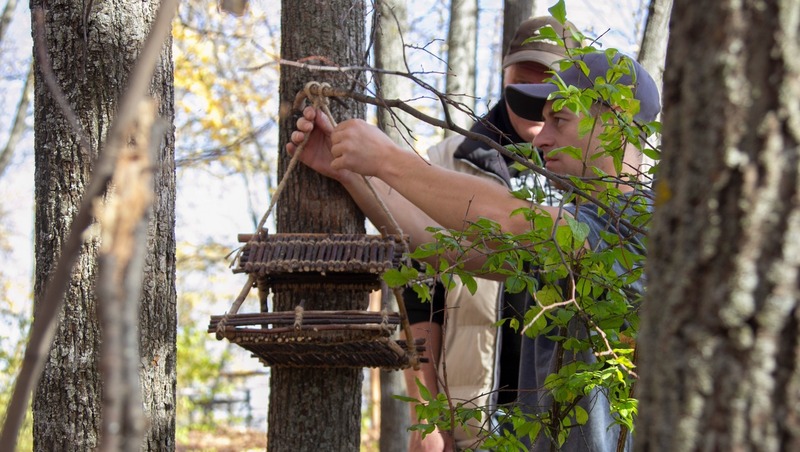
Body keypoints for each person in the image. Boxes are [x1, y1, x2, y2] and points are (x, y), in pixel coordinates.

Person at [287, 50, 660, 452]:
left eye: (560, 120)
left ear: (618, 118)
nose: (542, 137)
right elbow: (440, 248)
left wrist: (386, 159)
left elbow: (514, 220)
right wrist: (350, 172)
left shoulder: (645, 222)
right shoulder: (572, 238)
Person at [400, 16, 581, 451]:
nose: (534, 93)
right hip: (473, 426)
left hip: (565, 425)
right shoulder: (445, 164)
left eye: (549, 80)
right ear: (505, 75)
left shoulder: (589, 171)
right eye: (523, 78)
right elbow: (418, 297)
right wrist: (426, 418)